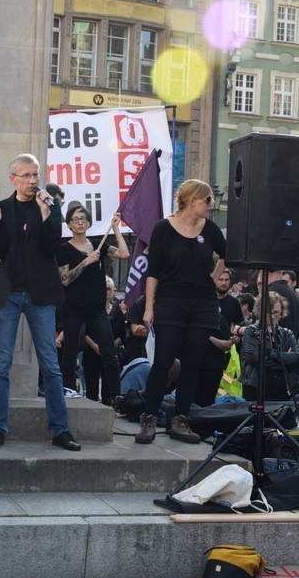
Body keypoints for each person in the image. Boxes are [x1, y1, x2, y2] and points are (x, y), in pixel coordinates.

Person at [0, 152, 81, 451]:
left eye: (35, 174)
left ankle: (60, 430)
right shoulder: (5, 207)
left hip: (41, 295)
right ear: (13, 179)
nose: (33, 180)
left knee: (51, 365)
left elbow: (52, 248)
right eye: (26, 175)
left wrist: (48, 214)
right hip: (8, 294)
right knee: (1, 364)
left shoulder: (51, 205)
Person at [136, 179, 226, 445]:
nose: (211, 205)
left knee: (192, 363)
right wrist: (149, 307)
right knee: (163, 360)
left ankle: (181, 420)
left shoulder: (209, 229)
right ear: (191, 200)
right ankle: (149, 418)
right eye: (207, 200)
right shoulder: (163, 228)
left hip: (202, 303)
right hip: (171, 301)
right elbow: (153, 272)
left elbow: (226, 255)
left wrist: (214, 276)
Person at [57, 205, 129, 403]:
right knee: (70, 352)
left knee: (109, 352)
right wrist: (86, 262)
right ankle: (69, 389)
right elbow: (65, 279)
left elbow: (124, 253)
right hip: (73, 308)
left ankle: (116, 395)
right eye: (75, 219)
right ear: (69, 225)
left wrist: (115, 228)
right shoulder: (64, 249)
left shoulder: (99, 245)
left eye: (83, 219)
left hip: (96, 310)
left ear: (89, 223)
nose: (80, 222)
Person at [240, 291, 299, 402]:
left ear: (282, 312)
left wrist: (270, 353)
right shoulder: (251, 331)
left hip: (283, 388)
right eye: (268, 312)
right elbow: (255, 359)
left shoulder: (287, 333)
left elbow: (296, 358)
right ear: (260, 310)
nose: (272, 316)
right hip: (256, 387)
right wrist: (284, 361)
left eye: (275, 312)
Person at [80, 276, 126, 404]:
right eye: (103, 289)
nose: (106, 292)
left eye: (108, 289)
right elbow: (84, 331)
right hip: (91, 354)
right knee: (91, 391)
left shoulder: (117, 312)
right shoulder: (90, 309)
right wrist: (96, 346)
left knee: (108, 391)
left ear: (114, 291)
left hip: (110, 355)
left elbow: (122, 335)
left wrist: (108, 346)